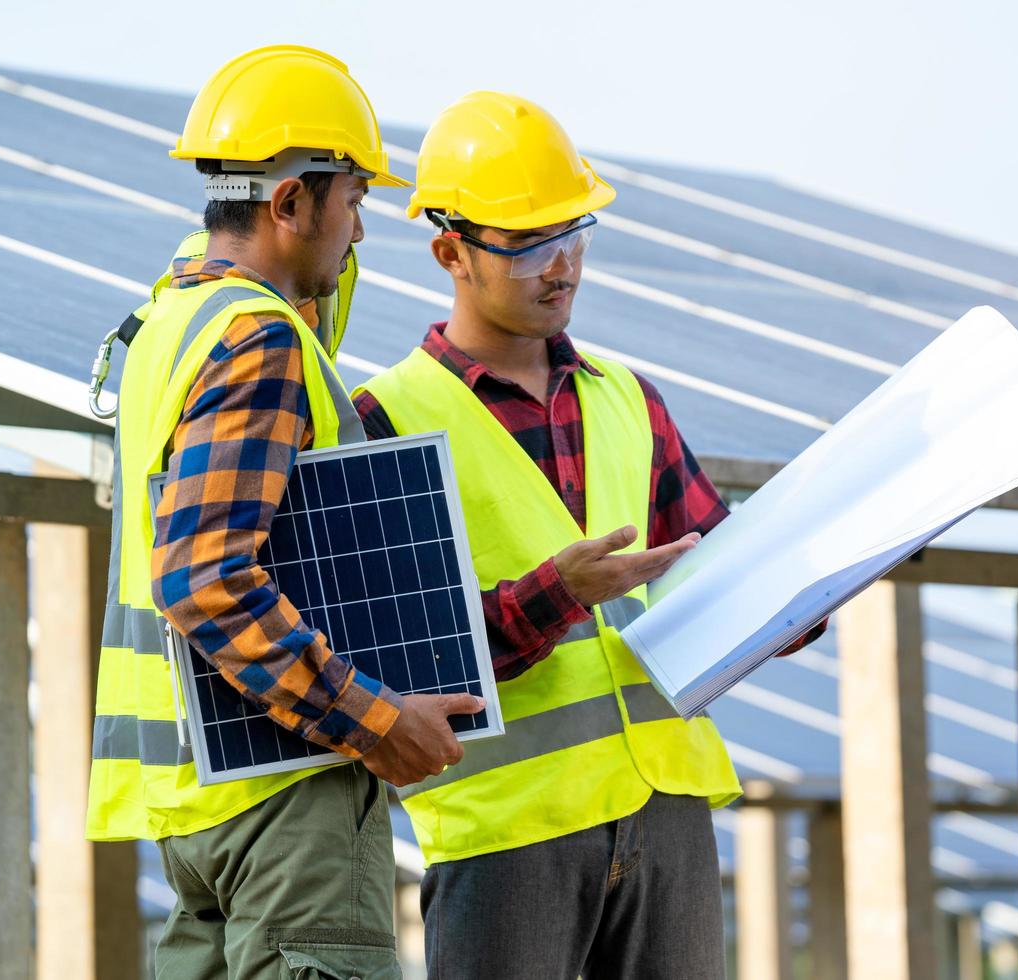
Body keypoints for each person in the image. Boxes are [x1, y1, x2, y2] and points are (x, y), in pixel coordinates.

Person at [353, 90, 823, 979]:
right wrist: (558, 593)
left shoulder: (628, 399)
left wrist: (815, 585)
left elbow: (718, 577)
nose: (560, 265)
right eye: (528, 243)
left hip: (666, 806)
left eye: (574, 234)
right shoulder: (386, 422)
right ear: (449, 250)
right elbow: (397, 670)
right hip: (506, 829)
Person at [83, 46, 477, 978]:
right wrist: (375, 719)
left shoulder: (173, 316)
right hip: (286, 799)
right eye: (354, 201)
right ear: (290, 203)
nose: (361, 233)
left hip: (202, 798)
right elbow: (206, 581)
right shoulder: (257, 339)